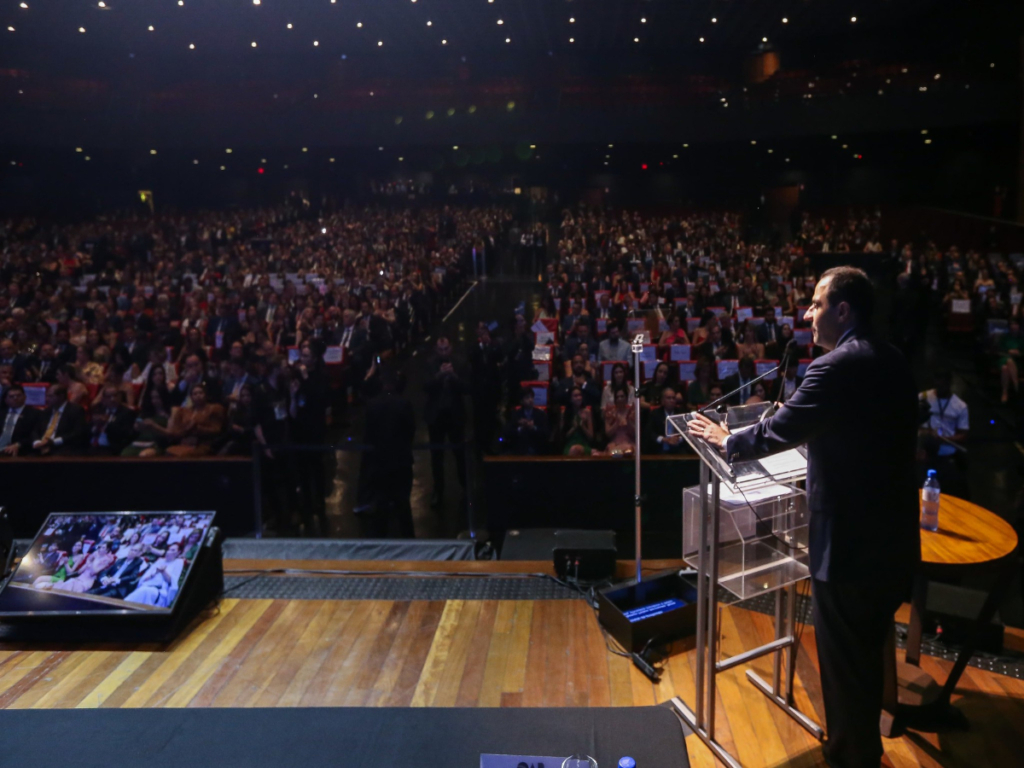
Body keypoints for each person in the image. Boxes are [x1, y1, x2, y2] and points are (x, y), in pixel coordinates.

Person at [689, 266, 919, 768]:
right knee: (865, 659)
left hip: (850, 551)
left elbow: (781, 431)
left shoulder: (835, 367)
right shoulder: (895, 360)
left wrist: (726, 440)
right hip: (894, 545)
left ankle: (850, 759)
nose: (807, 314)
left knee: (845, 667)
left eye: (816, 304)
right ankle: (863, 750)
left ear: (843, 309)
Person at [357, 365, 416, 538]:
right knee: (403, 505)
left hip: (379, 463)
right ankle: (408, 540)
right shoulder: (403, 403)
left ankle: (382, 541)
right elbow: (410, 430)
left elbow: (368, 433)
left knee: (381, 505)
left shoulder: (372, 405)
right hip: (401, 461)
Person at [423, 337, 468, 508]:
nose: (443, 352)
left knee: (459, 454)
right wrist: (439, 375)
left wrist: (453, 376)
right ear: (436, 349)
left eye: (446, 349)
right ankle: (438, 490)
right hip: (436, 416)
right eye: (440, 349)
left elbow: (467, 387)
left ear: (451, 348)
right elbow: (425, 386)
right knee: (436, 457)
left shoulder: (460, 362)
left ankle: (465, 487)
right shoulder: (430, 364)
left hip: (455, 415)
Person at [919, 369, 969, 498]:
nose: (939, 388)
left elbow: (963, 435)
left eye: (942, 385)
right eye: (937, 384)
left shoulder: (960, 406)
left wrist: (945, 438)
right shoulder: (923, 397)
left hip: (945, 450)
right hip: (925, 448)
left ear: (949, 383)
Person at [32, 384, 89, 456]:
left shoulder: (75, 410)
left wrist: (52, 442)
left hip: (62, 446)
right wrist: (37, 442)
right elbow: (36, 429)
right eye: (47, 396)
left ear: (61, 396)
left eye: (51, 396)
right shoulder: (46, 411)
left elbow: (77, 433)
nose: (47, 399)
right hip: (41, 446)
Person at [89, 385, 137, 456]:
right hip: (92, 446)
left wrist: (107, 423)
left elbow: (125, 434)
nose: (113, 399)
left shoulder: (127, 413)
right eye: (109, 397)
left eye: (115, 396)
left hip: (111, 448)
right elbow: (86, 429)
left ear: (120, 397)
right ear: (104, 398)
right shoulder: (98, 410)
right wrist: (95, 425)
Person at [501, 386, 549, 455]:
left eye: (532, 397)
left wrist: (534, 428)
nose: (530, 400)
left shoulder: (540, 414)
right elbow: (507, 432)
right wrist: (520, 428)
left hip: (537, 449)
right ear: (521, 401)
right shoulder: (516, 414)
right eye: (527, 398)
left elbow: (546, 433)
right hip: (519, 450)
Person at [0, 384, 42, 457]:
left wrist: (18, 444)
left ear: (25, 397)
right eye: (11, 396)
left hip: (21, 450)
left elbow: (36, 435)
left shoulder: (35, 414)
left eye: (18, 395)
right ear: (6, 400)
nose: (15, 398)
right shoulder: (1, 413)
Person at [644, 386, 687, 454]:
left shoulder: (681, 413)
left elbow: (687, 431)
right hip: (659, 449)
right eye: (668, 398)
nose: (672, 400)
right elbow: (649, 433)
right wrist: (664, 439)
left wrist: (679, 439)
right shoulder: (655, 414)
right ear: (662, 401)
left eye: (673, 398)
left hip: (678, 450)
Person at [559, 385, 594, 456]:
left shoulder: (587, 412)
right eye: (575, 396)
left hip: (583, 444)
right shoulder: (565, 413)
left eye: (580, 395)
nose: (579, 398)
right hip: (570, 445)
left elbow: (591, 437)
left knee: (576, 449)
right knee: (573, 449)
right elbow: (562, 437)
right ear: (570, 399)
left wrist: (583, 426)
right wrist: (573, 428)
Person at [602, 386, 635, 456]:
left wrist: (628, 422)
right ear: (615, 399)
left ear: (626, 398)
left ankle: (619, 454)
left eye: (622, 396)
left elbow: (636, 433)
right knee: (612, 452)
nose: (620, 399)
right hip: (614, 444)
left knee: (628, 450)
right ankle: (618, 454)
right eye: (617, 397)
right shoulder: (610, 413)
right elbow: (608, 433)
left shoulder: (632, 413)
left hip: (629, 444)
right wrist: (616, 423)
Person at [998, 318, 1022, 403]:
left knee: (1005, 368)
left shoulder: (1021, 338)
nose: (1014, 326)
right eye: (1012, 324)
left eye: (1016, 324)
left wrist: (1018, 353)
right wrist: (1009, 351)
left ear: (1019, 326)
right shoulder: (1005, 337)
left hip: (1018, 360)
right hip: (1004, 357)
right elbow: (1000, 349)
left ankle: (1005, 393)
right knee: (1008, 361)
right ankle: (1016, 386)